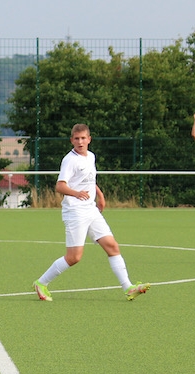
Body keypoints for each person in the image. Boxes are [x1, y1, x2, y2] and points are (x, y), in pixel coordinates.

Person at [33, 124, 150, 302]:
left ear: (89, 139)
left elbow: (89, 180)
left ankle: (128, 287)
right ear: (71, 140)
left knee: (112, 246)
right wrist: (76, 193)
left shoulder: (91, 156)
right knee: (74, 257)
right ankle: (41, 283)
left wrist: (100, 196)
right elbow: (60, 186)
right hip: (75, 211)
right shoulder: (69, 160)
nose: (80, 142)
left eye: (83, 138)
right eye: (76, 138)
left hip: (91, 209)